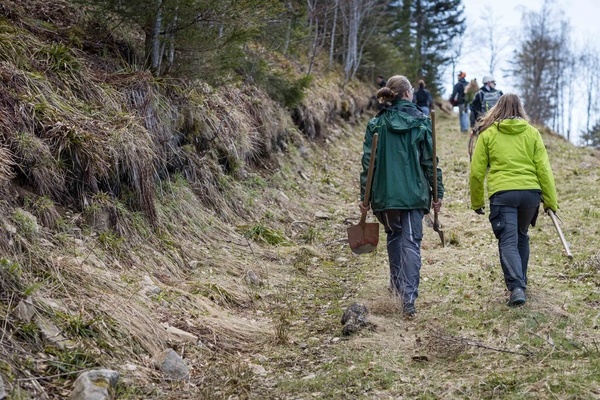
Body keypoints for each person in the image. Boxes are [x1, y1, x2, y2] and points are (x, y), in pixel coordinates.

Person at [360, 75, 444, 318]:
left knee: (395, 239)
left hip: (384, 196)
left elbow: (369, 163)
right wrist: (437, 191)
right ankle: (407, 299)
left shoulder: (377, 123)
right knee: (410, 242)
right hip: (412, 194)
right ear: (408, 93)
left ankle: (397, 291)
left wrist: (365, 196)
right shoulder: (421, 122)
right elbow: (430, 161)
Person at [469, 93, 558, 307]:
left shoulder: (488, 134)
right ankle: (521, 283)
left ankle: (517, 287)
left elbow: (476, 172)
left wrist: (477, 202)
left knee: (508, 240)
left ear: (497, 109)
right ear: (520, 109)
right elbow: (544, 170)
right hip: (530, 194)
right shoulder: (532, 133)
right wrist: (550, 201)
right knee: (521, 235)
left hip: (503, 194)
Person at [468, 75, 504, 157]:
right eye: (493, 82)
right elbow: (473, 110)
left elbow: (473, 110)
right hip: (488, 124)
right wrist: (474, 126)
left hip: (492, 123)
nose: (494, 84)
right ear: (488, 83)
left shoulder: (480, 94)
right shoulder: (481, 94)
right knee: (485, 144)